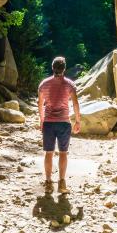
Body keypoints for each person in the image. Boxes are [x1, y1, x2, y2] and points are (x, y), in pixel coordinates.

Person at [38, 56, 81, 194]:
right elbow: (75, 103)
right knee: (63, 153)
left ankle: (48, 183)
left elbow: (40, 104)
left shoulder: (44, 84)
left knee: (48, 153)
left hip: (49, 123)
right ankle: (62, 183)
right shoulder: (70, 84)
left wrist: (41, 119)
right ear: (64, 69)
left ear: (52, 68)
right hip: (64, 122)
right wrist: (78, 121)